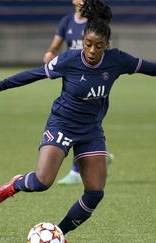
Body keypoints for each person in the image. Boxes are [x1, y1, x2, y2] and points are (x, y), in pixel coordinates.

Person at [0, 0, 156, 238]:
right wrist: (1, 85)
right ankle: (15, 184)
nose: (92, 51)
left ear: (107, 45)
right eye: (88, 44)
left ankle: (59, 233)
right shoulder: (69, 60)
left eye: (98, 46)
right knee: (42, 182)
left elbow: (151, 67)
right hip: (61, 124)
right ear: (83, 41)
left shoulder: (117, 60)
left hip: (91, 131)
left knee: (95, 193)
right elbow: (35, 74)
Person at [43, 0, 114, 185]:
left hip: (93, 78)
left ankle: (79, 168)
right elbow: (55, 45)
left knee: (87, 121)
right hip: (73, 74)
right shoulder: (67, 21)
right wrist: (51, 53)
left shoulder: (95, 23)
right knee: (74, 117)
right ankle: (89, 161)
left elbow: (107, 48)